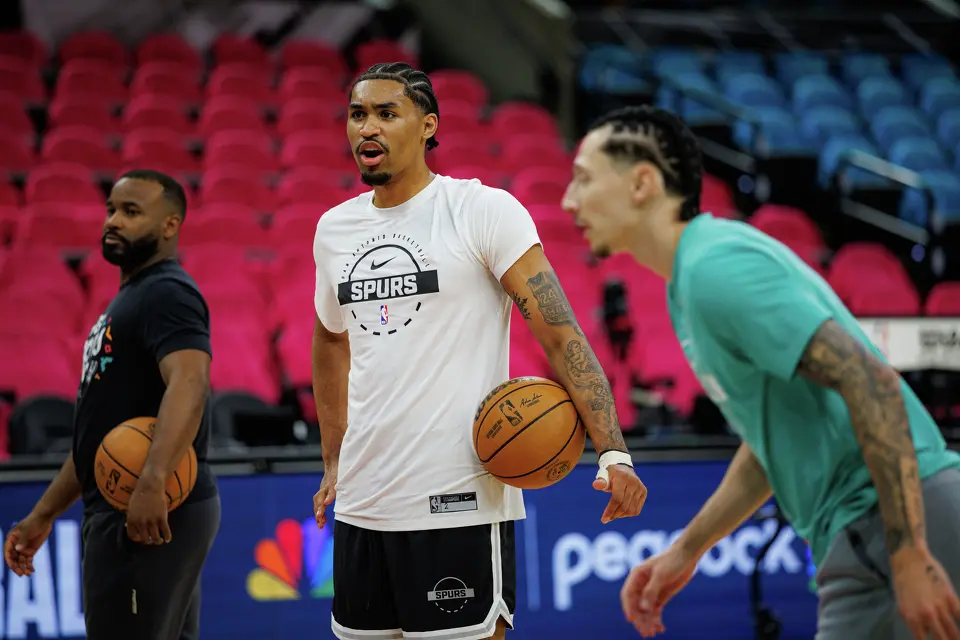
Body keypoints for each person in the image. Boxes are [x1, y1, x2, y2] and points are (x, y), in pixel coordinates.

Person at [561, 104, 960, 640]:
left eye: (584, 179)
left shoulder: (715, 269)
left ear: (642, 183)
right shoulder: (694, 277)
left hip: (889, 523)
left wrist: (909, 553)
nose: (569, 200)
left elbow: (870, 380)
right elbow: (771, 442)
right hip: (873, 530)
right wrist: (685, 552)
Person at [311, 62, 648, 640]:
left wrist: (612, 451)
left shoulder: (482, 211)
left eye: (387, 113)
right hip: (363, 504)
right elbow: (329, 338)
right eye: (358, 113)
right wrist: (334, 459)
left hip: (459, 502)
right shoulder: (333, 229)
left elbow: (560, 331)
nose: (368, 126)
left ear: (427, 126)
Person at [3, 170, 221, 640]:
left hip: (144, 508)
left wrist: (153, 479)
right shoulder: (131, 299)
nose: (113, 221)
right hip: (133, 502)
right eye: (110, 210)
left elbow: (189, 382)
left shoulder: (167, 292)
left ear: (170, 226)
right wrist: (44, 513)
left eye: (131, 211)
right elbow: (97, 438)